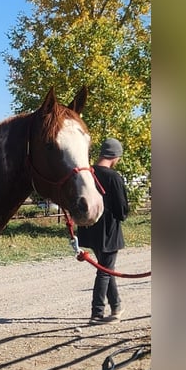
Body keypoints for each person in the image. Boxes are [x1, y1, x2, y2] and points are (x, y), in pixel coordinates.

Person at [77, 137, 130, 324]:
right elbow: (122, 210)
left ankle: (116, 306)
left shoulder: (87, 173)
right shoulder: (113, 177)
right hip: (108, 232)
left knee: (106, 268)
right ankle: (97, 313)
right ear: (115, 156)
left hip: (90, 229)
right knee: (105, 271)